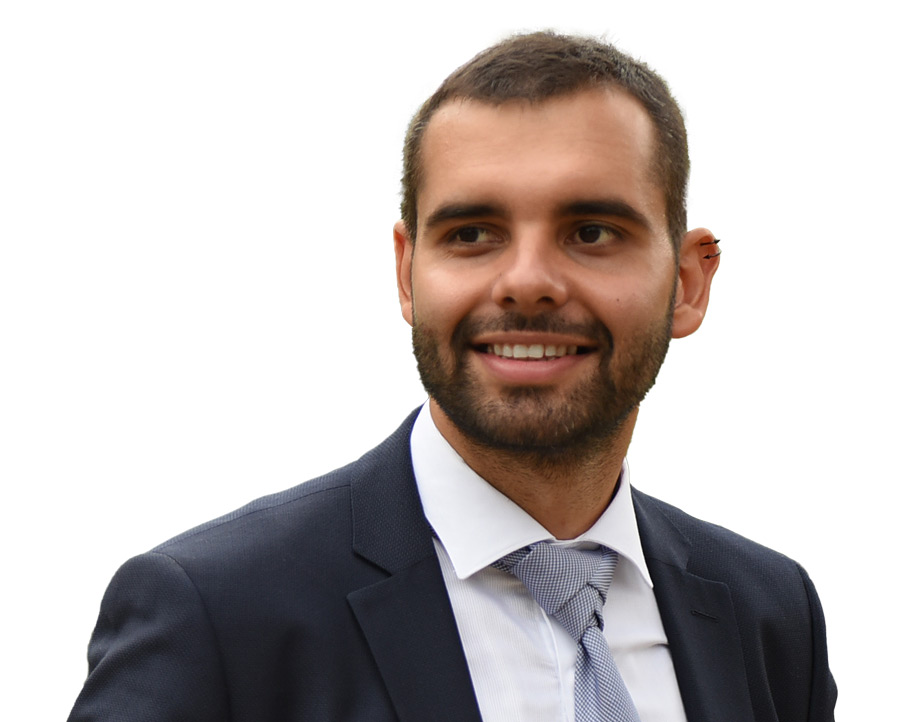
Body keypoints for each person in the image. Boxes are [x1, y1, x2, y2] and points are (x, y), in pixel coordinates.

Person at [68, 31, 837, 721]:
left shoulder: (771, 617)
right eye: (472, 234)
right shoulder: (216, 615)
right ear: (407, 273)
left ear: (689, 283)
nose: (527, 282)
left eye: (592, 231)